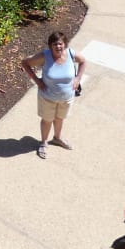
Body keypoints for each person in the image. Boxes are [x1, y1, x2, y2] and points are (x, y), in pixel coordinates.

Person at [21, 31, 86, 159]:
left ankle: (57, 138)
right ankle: (43, 143)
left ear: (65, 44)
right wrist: (37, 80)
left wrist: (78, 78)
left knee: (60, 119)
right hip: (47, 98)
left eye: (60, 44)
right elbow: (25, 63)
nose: (58, 47)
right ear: (50, 46)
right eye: (55, 44)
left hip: (66, 98)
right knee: (47, 120)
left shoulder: (71, 54)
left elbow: (83, 61)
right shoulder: (44, 56)